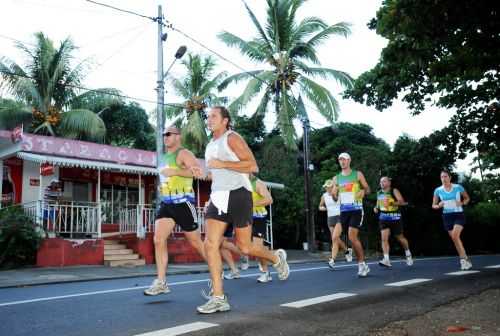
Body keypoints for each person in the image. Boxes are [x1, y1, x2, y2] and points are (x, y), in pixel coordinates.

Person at [197, 106, 289, 314]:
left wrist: (223, 163)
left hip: (239, 194)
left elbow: (252, 166)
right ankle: (219, 298)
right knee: (210, 244)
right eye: (208, 116)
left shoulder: (232, 138)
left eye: (214, 116)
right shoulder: (210, 145)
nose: (209, 119)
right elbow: (216, 173)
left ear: (225, 121)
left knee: (245, 248)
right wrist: (202, 172)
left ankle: (275, 258)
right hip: (218, 196)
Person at [144, 126, 206, 296]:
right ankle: (161, 282)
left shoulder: (183, 153)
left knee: (196, 242)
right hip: (167, 203)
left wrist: (175, 171)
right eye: (164, 134)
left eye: (169, 134)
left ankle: (216, 269)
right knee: (158, 239)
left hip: (184, 203)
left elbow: (197, 172)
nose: (165, 137)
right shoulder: (164, 157)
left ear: (178, 137)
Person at [331, 152, 371, 277]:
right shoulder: (336, 178)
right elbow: (334, 198)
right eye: (340, 160)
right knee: (335, 236)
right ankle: (352, 256)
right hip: (343, 211)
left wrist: (364, 191)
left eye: (344, 160)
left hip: (356, 210)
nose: (342, 162)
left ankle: (361, 264)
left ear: (349, 161)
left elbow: (368, 189)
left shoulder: (357, 174)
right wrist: (334, 194)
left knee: (352, 237)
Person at [432, 170, 472, 270]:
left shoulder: (458, 187)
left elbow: (467, 198)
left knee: (455, 236)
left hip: (458, 214)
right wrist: (438, 205)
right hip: (447, 216)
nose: (443, 179)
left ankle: (463, 260)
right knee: (455, 239)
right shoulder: (438, 190)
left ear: (450, 178)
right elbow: (434, 205)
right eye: (442, 177)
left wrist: (462, 203)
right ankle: (465, 259)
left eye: (445, 176)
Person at [374, 176, 413, 267]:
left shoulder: (394, 191)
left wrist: (391, 203)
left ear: (389, 183)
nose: (381, 183)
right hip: (383, 218)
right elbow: (378, 205)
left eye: (384, 181)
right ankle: (386, 259)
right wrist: (376, 208)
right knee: (384, 239)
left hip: (395, 217)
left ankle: (408, 253)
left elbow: (402, 202)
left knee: (400, 238)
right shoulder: (379, 193)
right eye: (380, 182)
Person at [318, 179, 353, 268]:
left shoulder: (339, 194)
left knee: (334, 238)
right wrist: (323, 208)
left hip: (339, 217)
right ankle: (347, 251)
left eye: (329, 187)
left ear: (333, 187)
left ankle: (332, 260)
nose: (327, 189)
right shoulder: (324, 196)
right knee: (335, 239)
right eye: (326, 187)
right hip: (330, 218)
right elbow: (320, 206)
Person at [250, 174, 274, 283]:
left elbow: (269, 200)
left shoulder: (258, 183)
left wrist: (250, 204)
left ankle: (266, 272)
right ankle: (276, 257)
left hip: (258, 218)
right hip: (246, 218)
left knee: (257, 248)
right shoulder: (240, 182)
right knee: (250, 248)